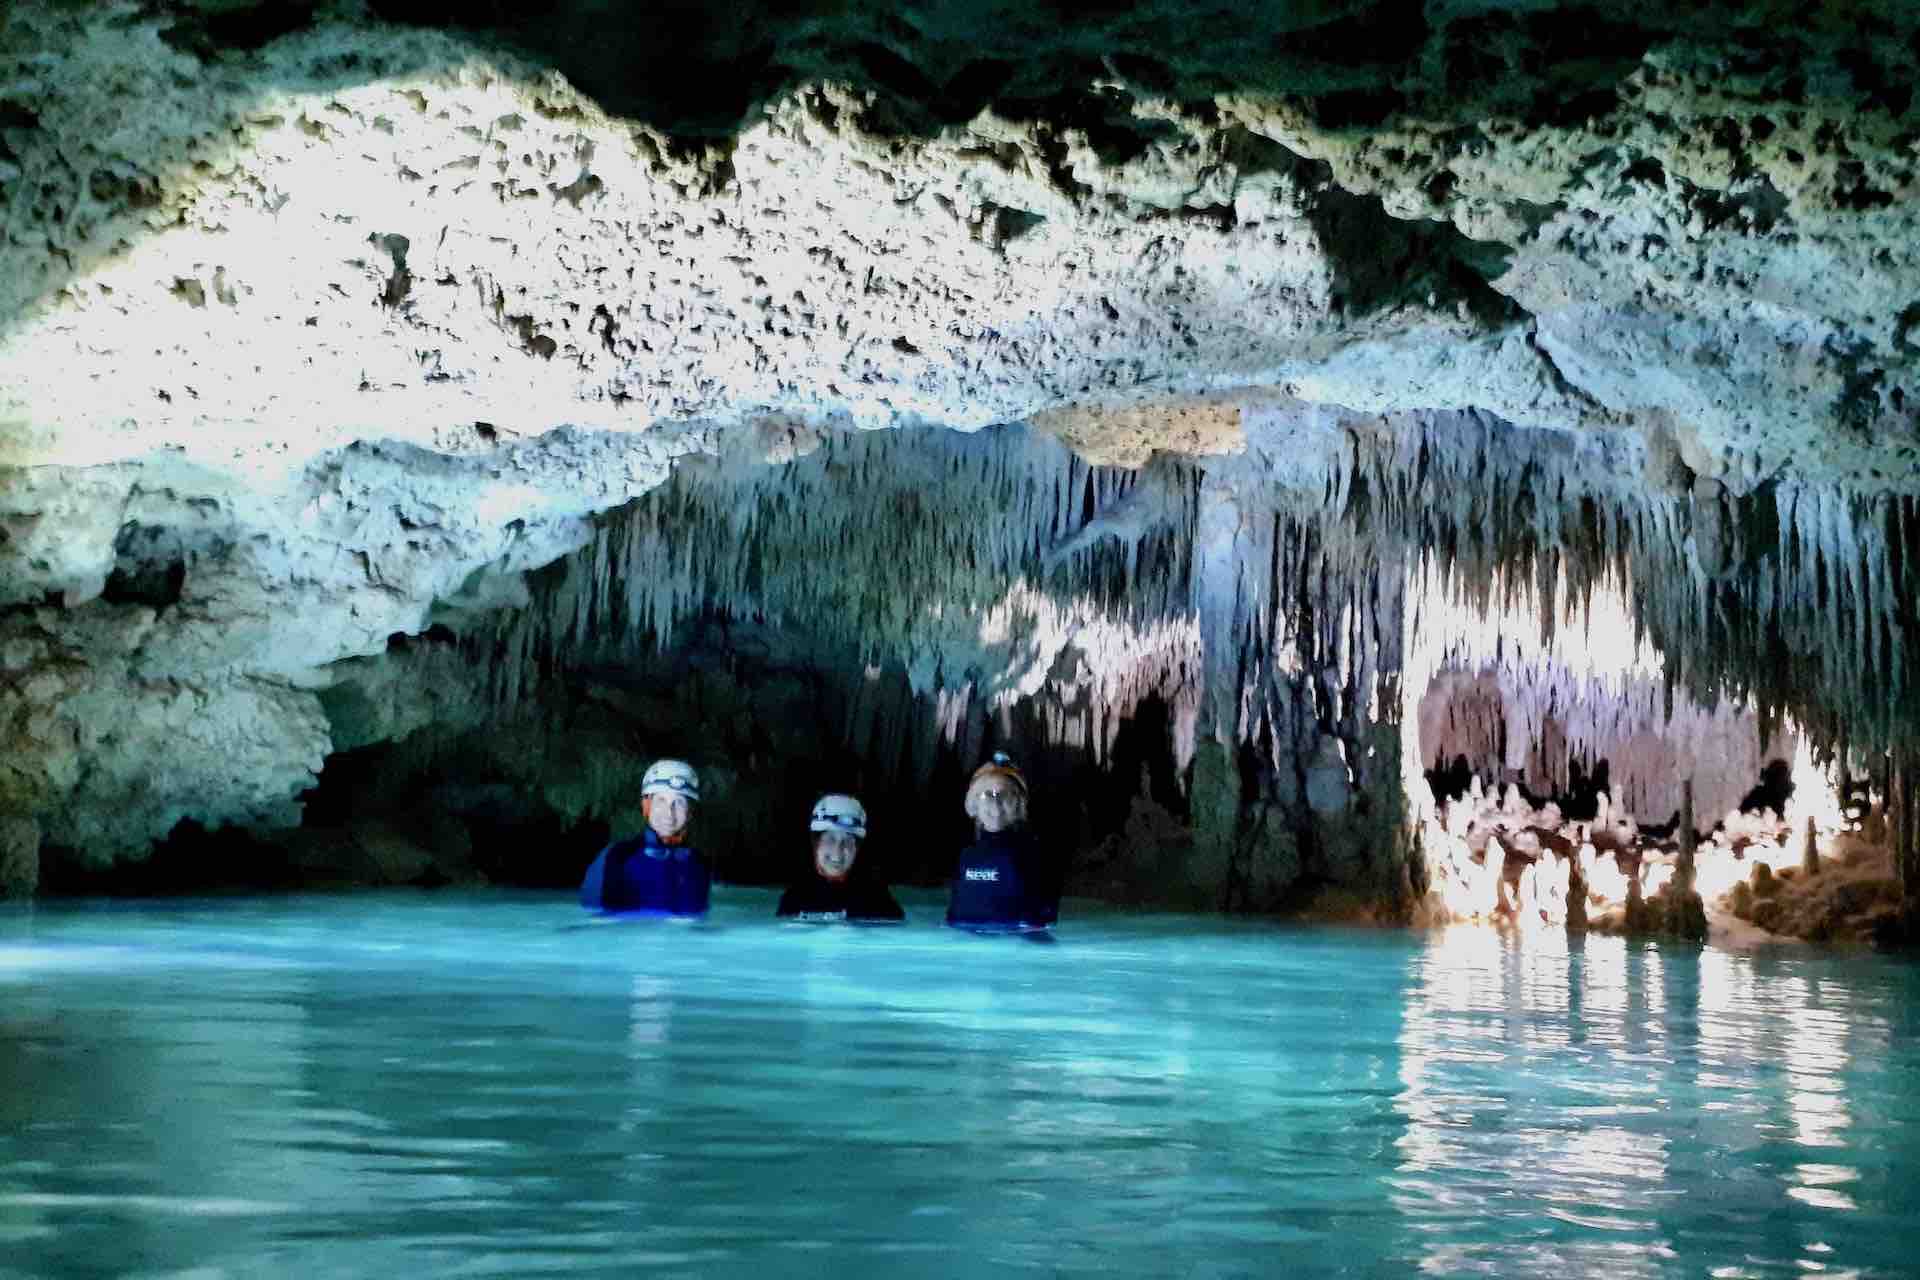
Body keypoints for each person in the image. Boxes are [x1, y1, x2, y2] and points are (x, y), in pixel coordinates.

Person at [579, 758, 710, 916]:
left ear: (689, 812)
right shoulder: (616, 858)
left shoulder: (697, 863)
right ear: (647, 807)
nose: (669, 813)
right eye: (661, 801)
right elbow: (592, 921)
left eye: (679, 803)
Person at [946, 752, 1059, 932]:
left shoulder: (1032, 854)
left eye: (1005, 795)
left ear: (1019, 804)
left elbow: (1044, 913)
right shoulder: (965, 856)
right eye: (988, 795)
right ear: (974, 803)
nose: (996, 804)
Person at [777, 793, 905, 923]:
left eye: (848, 842)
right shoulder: (795, 897)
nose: (837, 852)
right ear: (816, 844)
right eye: (830, 839)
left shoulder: (877, 900)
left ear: (857, 849)